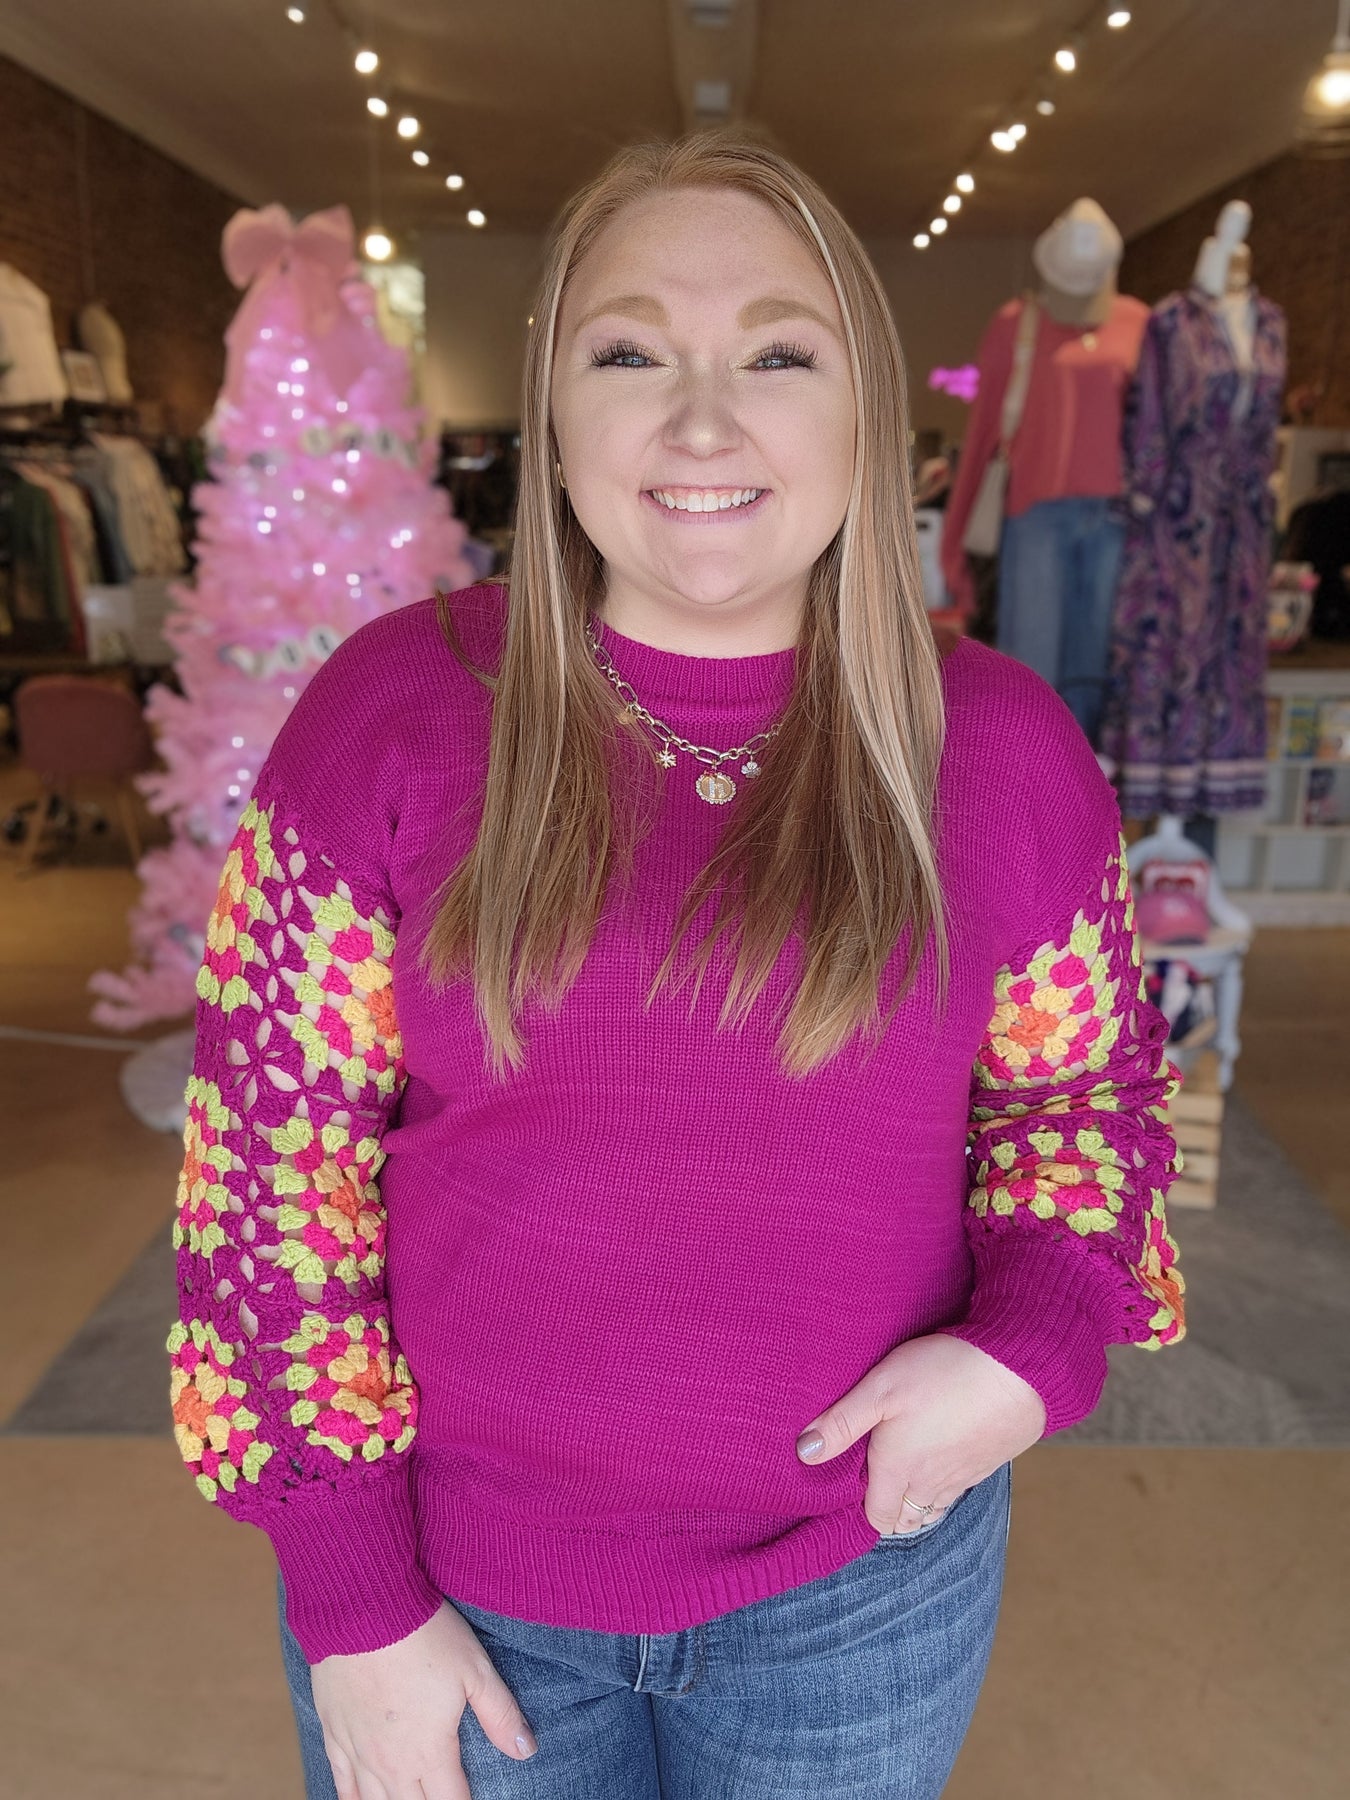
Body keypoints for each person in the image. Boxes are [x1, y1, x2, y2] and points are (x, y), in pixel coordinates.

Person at [167, 128, 1186, 1800]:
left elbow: (1079, 1101)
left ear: (866, 413)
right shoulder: (391, 716)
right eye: (629, 354)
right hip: (458, 1594)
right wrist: (351, 1599)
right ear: (552, 416)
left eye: (777, 357)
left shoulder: (1003, 750)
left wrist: (1031, 1346)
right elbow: (268, 1175)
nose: (702, 422)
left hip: (861, 1583)